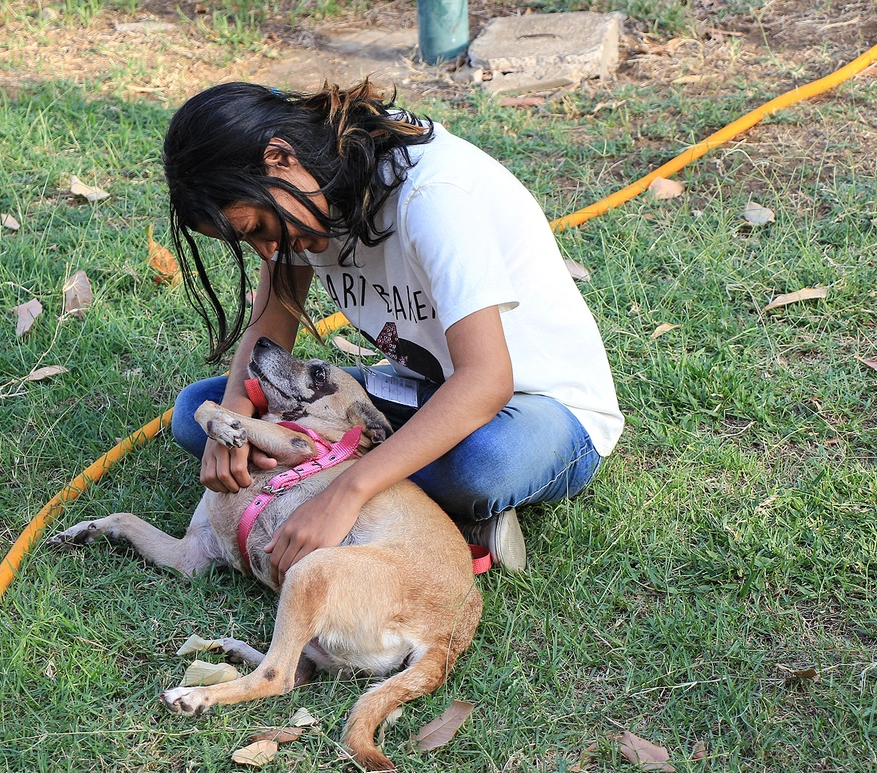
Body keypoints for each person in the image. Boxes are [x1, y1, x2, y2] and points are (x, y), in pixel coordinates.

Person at [162, 80, 623, 584]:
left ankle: (369, 483)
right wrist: (229, 423)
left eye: (257, 230)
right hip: (421, 394)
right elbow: (269, 332)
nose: (267, 252)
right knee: (195, 413)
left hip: (535, 410)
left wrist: (348, 491)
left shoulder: (432, 195)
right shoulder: (311, 186)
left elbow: (487, 382)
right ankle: (399, 488)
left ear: (280, 158)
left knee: (482, 465)